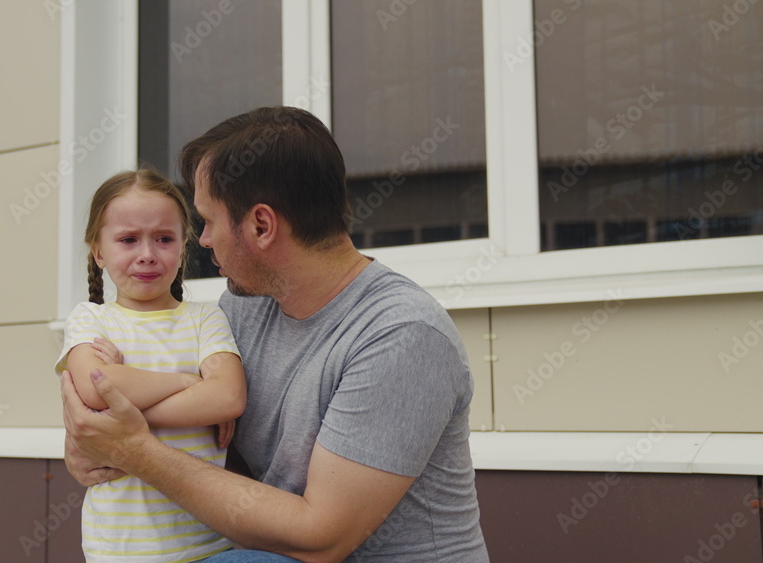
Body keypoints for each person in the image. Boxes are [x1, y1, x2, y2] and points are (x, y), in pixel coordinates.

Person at [61, 107, 489, 562]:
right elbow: (205, 451)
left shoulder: (401, 335)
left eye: (208, 220)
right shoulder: (243, 309)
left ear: (261, 226)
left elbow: (320, 537)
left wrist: (135, 450)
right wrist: (93, 444)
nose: (202, 240)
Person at [56, 169, 247, 562]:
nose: (147, 253)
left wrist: (121, 406)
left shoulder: (205, 320)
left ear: (182, 248)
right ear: (99, 252)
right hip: (120, 548)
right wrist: (189, 381)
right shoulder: (90, 320)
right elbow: (95, 387)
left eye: (164, 239)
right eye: (128, 240)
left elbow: (228, 395)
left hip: (206, 543)